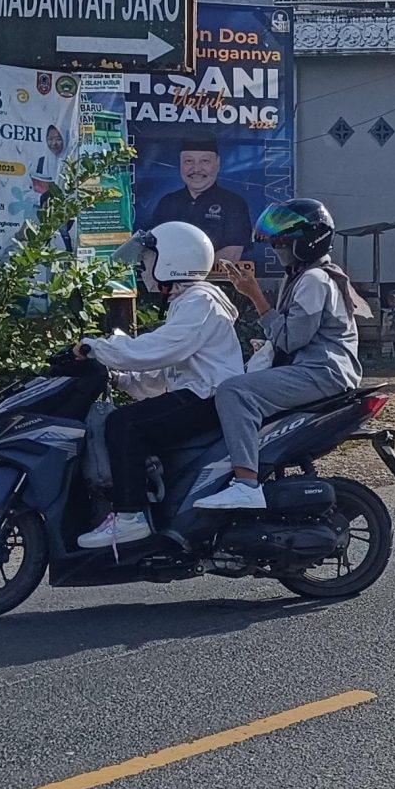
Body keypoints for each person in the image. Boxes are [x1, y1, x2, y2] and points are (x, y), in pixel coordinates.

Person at [74, 221, 246, 548]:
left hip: (208, 399)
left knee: (123, 424)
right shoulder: (187, 303)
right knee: (134, 420)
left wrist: (98, 347)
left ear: (172, 260)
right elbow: (164, 372)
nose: (144, 267)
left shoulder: (200, 301)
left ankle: (130, 516)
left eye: (149, 259)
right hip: (197, 395)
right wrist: (119, 376)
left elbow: (159, 350)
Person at [195, 198, 371, 511]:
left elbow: (291, 339)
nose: (278, 251)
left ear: (307, 243)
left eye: (283, 245)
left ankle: (246, 484)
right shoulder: (301, 276)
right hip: (315, 369)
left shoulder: (315, 280)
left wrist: (255, 297)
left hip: (323, 373)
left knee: (234, 392)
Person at [142, 135, 254, 260]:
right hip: (168, 278)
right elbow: (150, 248)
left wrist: (190, 273)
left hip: (214, 279)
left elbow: (232, 254)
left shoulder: (234, 203)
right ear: (180, 164)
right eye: (188, 161)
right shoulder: (167, 202)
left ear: (217, 164)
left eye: (205, 161)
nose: (196, 169)